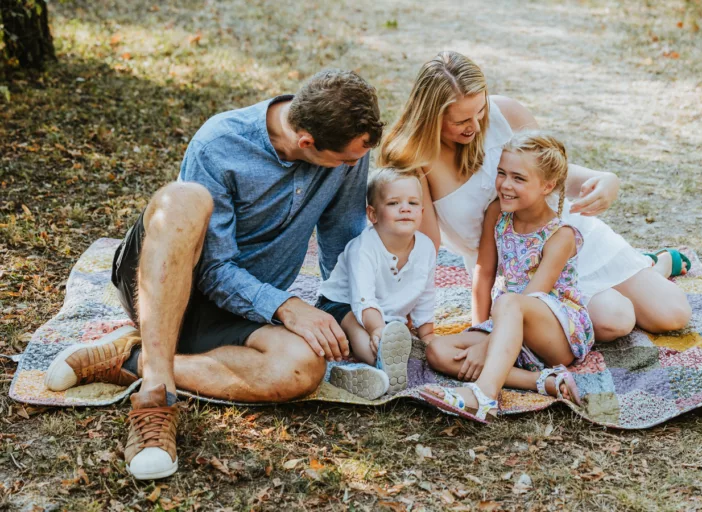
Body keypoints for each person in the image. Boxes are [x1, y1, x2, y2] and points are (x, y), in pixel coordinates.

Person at [43, 70, 384, 480]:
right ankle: (156, 396)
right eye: (347, 159)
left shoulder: (349, 151)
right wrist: (287, 306)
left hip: (240, 308)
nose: (355, 165)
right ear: (306, 142)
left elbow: (344, 239)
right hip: (165, 281)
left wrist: (357, 312)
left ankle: (130, 359)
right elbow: (215, 271)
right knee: (185, 198)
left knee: (304, 367)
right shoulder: (220, 142)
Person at [379, 51, 691, 343]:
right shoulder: (417, 162)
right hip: (512, 271)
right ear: (432, 116)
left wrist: (606, 180)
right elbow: (424, 246)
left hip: (564, 237)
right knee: (614, 321)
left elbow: (550, 176)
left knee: (673, 315)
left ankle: (653, 265)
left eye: (480, 110)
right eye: (461, 120)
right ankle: (633, 277)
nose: (475, 126)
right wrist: (406, 306)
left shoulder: (508, 114)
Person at [422, 133, 593, 423]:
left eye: (519, 178)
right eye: (502, 173)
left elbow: (531, 298)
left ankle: (483, 396)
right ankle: (543, 382)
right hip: (506, 322)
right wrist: (480, 331)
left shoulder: (560, 235)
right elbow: (484, 273)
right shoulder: (497, 214)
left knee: (509, 301)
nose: (506, 185)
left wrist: (483, 347)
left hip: (555, 333)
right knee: (438, 350)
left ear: (547, 186)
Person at [317, 169, 437, 400]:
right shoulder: (363, 248)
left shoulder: (426, 248)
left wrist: (426, 332)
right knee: (356, 325)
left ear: (421, 212)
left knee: (413, 347)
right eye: (393, 203)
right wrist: (377, 330)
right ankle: (378, 363)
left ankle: (377, 374)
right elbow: (363, 299)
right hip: (340, 306)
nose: (405, 208)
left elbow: (426, 293)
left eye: (413, 202)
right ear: (372, 214)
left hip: (386, 316)